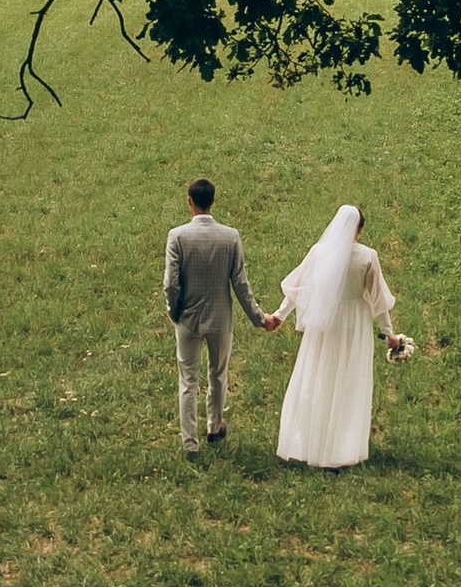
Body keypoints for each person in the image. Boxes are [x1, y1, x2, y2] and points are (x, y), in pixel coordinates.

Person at [271, 203, 409, 472]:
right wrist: (388, 333)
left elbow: (298, 288)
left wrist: (279, 315)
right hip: (354, 322)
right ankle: (342, 447)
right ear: (359, 229)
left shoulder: (320, 252)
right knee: (349, 380)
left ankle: (308, 441)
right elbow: (378, 300)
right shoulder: (368, 256)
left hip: (325, 321)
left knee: (317, 374)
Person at [162, 176, 281, 460]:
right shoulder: (231, 236)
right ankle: (214, 426)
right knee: (218, 375)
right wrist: (259, 318)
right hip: (220, 318)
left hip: (188, 319)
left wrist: (173, 310)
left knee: (188, 380)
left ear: (189, 201)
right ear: (213, 201)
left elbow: (171, 283)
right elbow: (240, 284)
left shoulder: (177, 236)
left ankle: (190, 442)